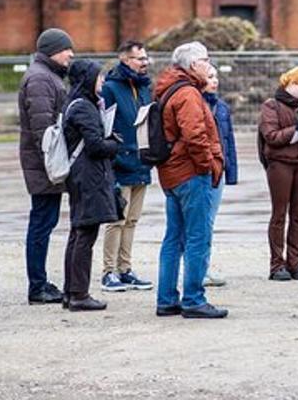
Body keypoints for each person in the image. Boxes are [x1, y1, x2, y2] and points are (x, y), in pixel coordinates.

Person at [153, 41, 228, 319]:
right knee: (198, 237)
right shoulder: (188, 94)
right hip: (191, 174)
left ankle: (167, 299)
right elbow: (195, 135)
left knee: (174, 238)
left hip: (172, 173)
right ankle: (194, 299)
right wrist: (207, 166)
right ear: (194, 64)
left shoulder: (169, 89)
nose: (210, 65)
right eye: (206, 59)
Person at [18, 27, 75, 305]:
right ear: (53, 50)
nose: (71, 54)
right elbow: (44, 131)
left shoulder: (47, 76)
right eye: (67, 49)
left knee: (45, 221)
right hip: (43, 164)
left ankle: (40, 282)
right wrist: (55, 164)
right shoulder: (40, 79)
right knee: (41, 222)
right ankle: (37, 286)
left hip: (45, 163)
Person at [61, 58, 121, 311]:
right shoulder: (84, 108)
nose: (103, 81)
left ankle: (71, 292)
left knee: (78, 233)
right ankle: (79, 294)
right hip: (88, 177)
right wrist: (114, 144)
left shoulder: (76, 104)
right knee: (85, 234)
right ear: (87, 79)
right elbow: (95, 146)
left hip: (81, 176)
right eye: (99, 77)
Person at [98, 40, 154, 293]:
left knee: (132, 220)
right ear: (125, 60)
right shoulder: (110, 88)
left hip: (142, 161)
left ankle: (125, 268)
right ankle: (108, 271)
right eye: (139, 58)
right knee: (117, 219)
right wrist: (115, 154)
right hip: (120, 162)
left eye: (145, 58)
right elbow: (105, 124)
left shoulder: (144, 88)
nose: (145, 63)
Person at [258, 66, 298, 281]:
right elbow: (271, 136)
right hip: (280, 164)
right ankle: (276, 264)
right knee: (279, 214)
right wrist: (297, 130)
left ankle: (295, 262)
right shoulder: (271, 105)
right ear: (288, 83)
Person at [202, 64, 238, 287]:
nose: (214, 81)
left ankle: (204, 267)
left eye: (216, 76)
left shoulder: (222, 107)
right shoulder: (195, 103)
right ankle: (195, 270)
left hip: (219, 171)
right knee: (199, 223)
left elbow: (229, 141)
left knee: (209, 222)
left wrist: (231, 172)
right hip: (203, 170)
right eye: (209, 76)